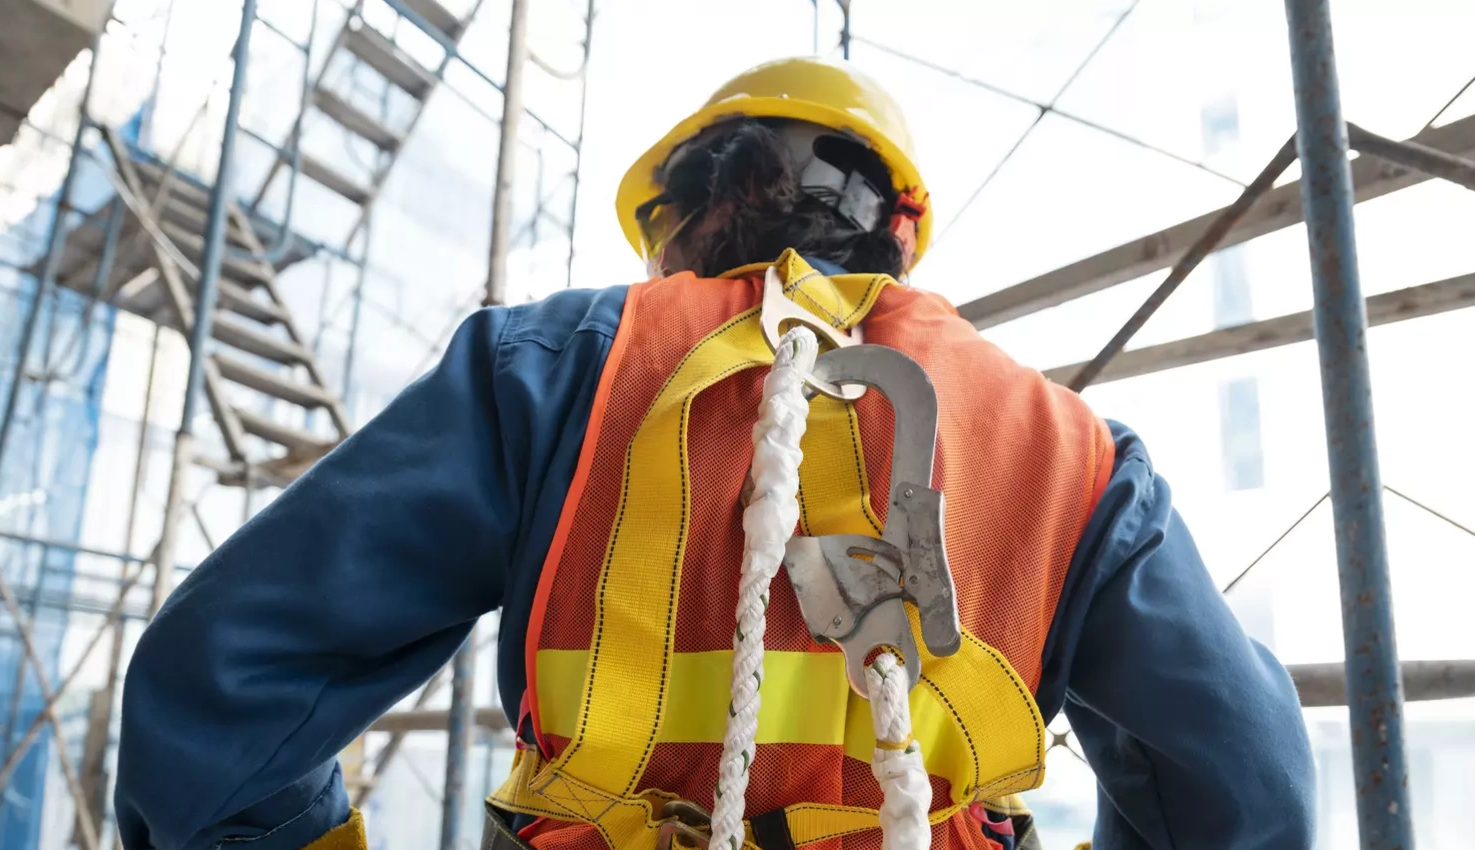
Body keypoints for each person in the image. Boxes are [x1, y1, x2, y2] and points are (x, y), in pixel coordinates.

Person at [115, 57, 1315, 850]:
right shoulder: (1071, 453)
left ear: (682, 219)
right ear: (896, 228)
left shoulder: (553, 370)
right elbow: (1244, 786)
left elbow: (219, 693)